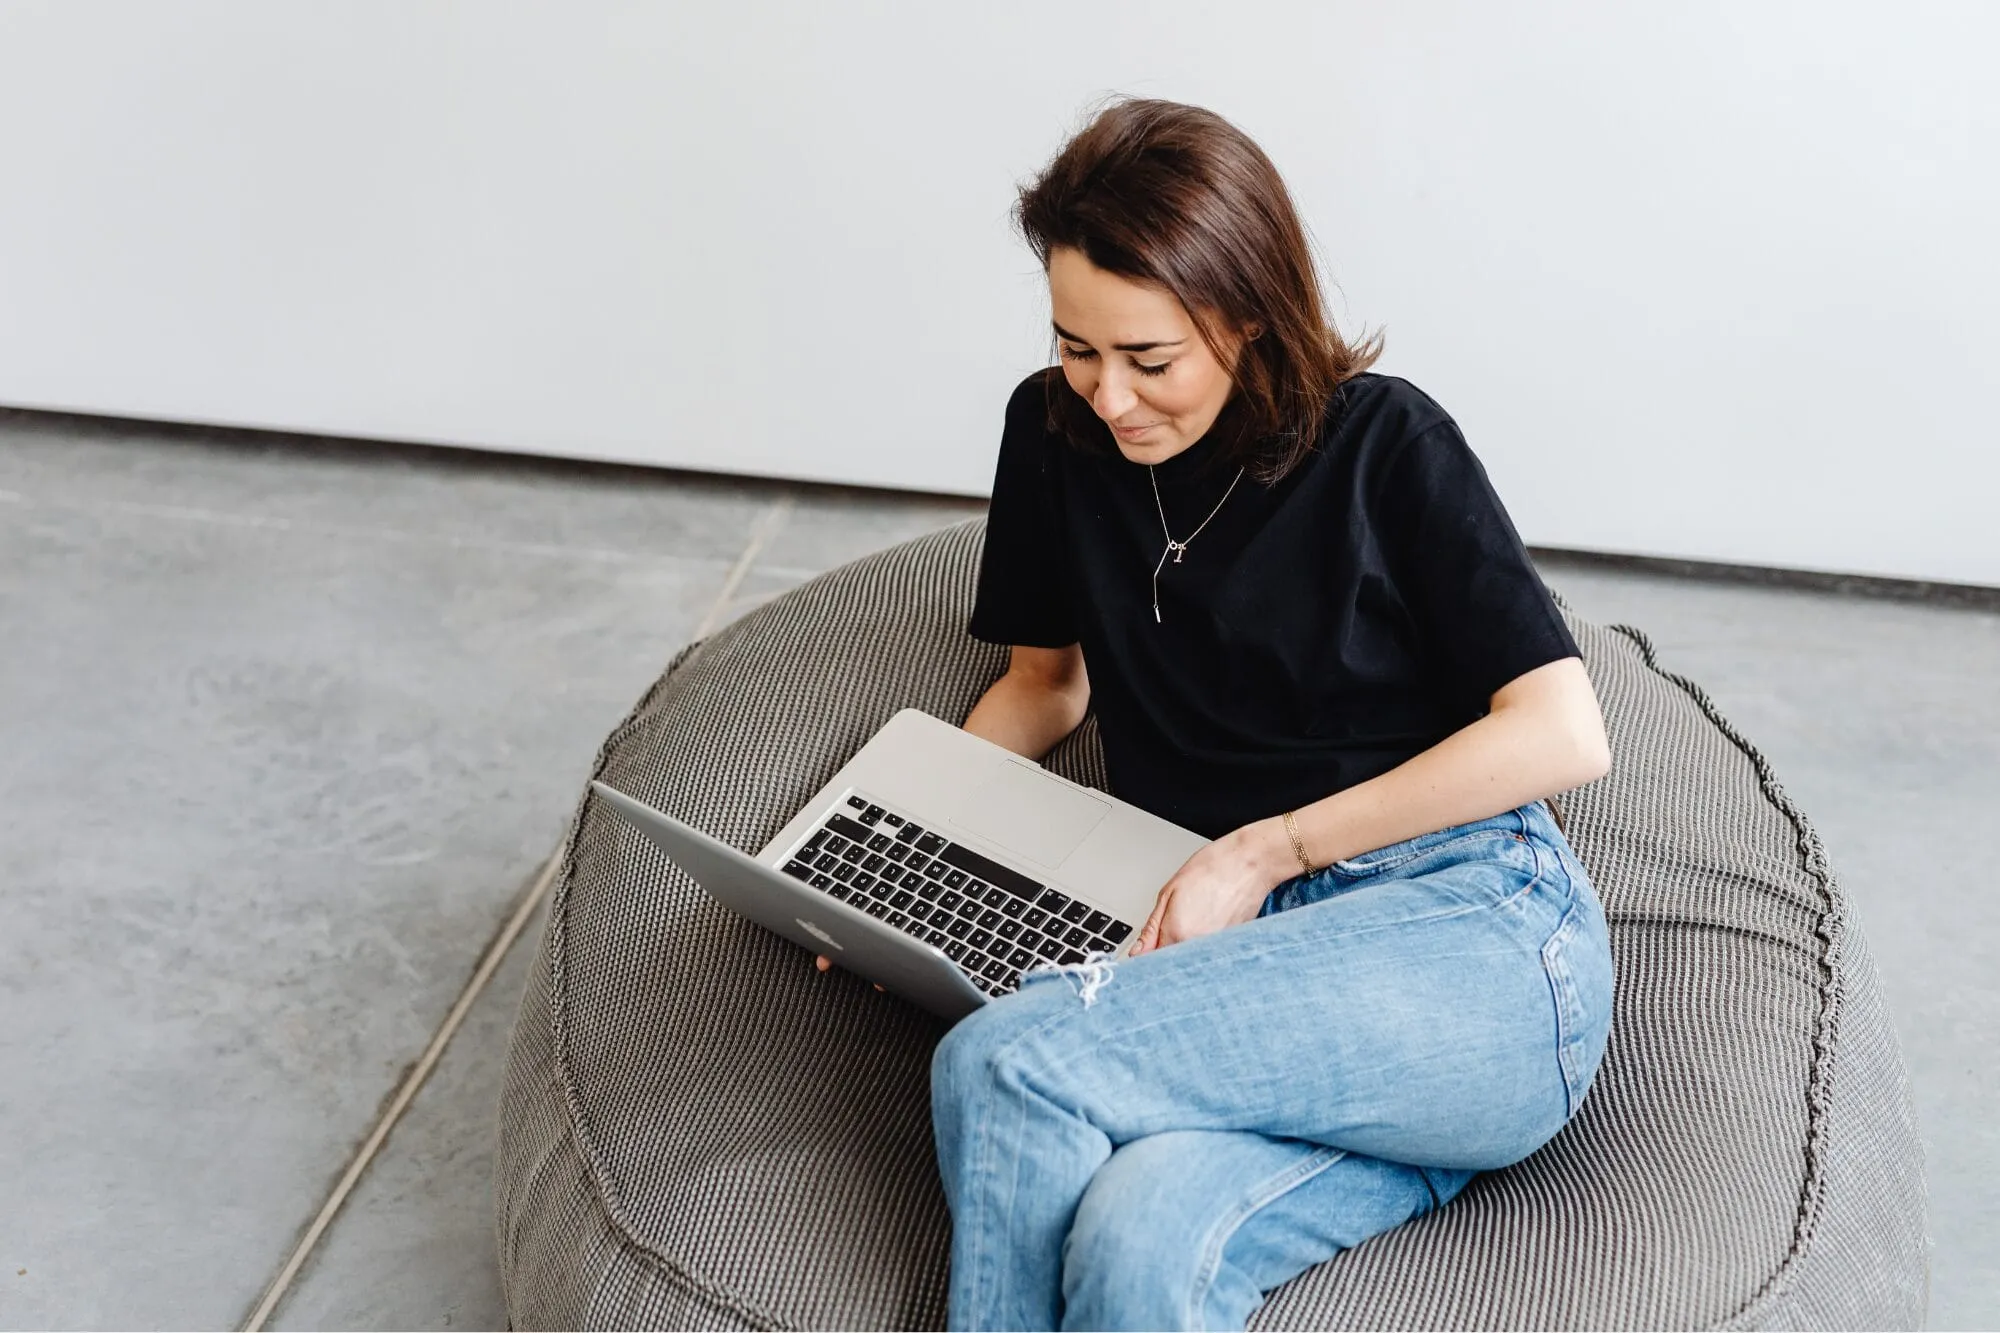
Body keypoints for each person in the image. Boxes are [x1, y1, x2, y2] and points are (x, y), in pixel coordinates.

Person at [821, 96, 1615, 1332]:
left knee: (1008, 1063)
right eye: (1077, 346)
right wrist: (901, 845)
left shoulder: (1382, 443)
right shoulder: (1050, 435)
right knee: (1137, 1244)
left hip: (1472, 935)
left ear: (1247, 317)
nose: (1107, 397)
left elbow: (1565, 732)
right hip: (1230, 974)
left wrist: (1269, 846)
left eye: (1149, 360)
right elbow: (1047, 686)